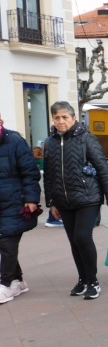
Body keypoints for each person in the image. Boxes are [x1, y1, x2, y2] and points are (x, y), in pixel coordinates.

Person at [43, 102, 108, 299]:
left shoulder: (87, 139)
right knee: (74, 241)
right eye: (57, 118)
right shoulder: (50, 142)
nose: (60, 121)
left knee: (82, 237)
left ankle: (93, 281)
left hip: (88, 197)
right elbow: (49, 175)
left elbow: (103, 168)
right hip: (64, 200)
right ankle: (82, 279)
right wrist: (51, 202)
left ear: (73, 118)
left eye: (64, 117)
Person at [0, 112, 41, 303]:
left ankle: (5, 284)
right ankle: (18, 281)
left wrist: (31, 199)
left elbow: (30, 172)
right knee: (4, 242)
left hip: (14, 201)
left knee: (8, 242)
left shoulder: (15, 141)